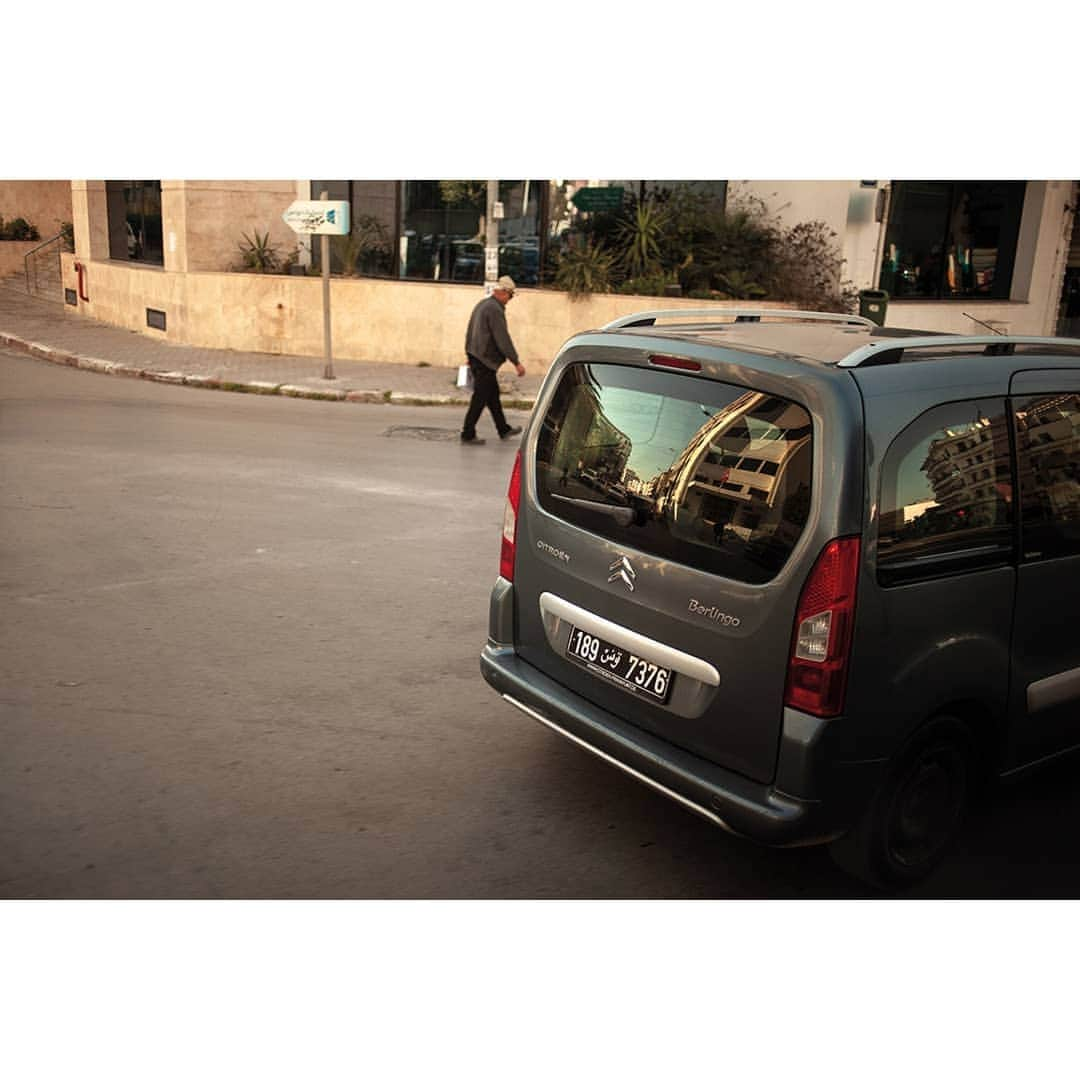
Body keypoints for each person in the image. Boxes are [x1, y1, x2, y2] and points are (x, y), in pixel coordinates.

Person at [461, 275, 526, 445]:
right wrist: (516, 362)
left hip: (476, 356)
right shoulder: (494, 309)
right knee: (481, 397)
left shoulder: (483, 304)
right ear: (503, 293)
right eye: (510, 296)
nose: (510, 300)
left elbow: (469, 331)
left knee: (493, 395)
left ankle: (503, 429)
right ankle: (467, 433)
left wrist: (469, 354)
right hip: (484, 360)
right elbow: (502, 338)